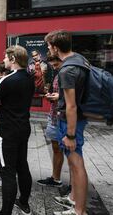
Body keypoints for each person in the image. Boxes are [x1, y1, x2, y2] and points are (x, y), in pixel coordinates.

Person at [0, 45, 35, 215]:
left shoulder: (6, 79)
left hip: (7, 131)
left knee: (7, 172)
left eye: (6, 57)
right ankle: (24, 203)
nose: (4, 60)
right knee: (22, 166)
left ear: (13, 59)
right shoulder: (29, 77)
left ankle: (5, 212)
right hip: (23, 127)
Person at [45, 30, 88, 215]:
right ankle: (73, 198)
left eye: (48, 46)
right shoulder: (78, 59)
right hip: (77, 120)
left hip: (71, 122)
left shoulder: (67, 70)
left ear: (55, 47)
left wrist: (70, 135)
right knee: (74, 164)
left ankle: (79, 211)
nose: (48, 49)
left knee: (76, 165)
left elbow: (71, 106)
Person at [37, 54, 64, 188]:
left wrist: (57, 97)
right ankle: (56, 177)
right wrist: (53, 96)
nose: (53, 67)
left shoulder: (67, 73)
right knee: (56, 148)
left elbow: (72, 97)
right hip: (54, 114)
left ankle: (61, 181)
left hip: (62, 117)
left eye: (55, 64)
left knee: (62, 150)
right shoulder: (58, 73)